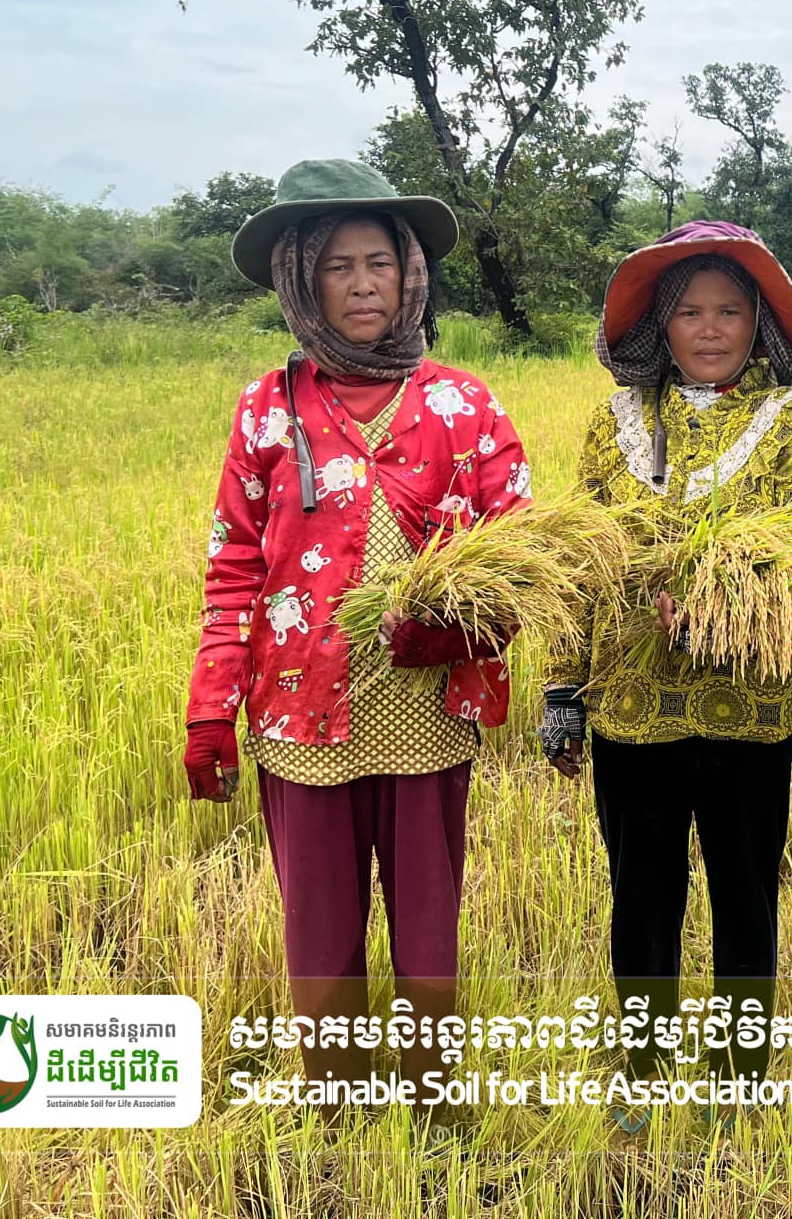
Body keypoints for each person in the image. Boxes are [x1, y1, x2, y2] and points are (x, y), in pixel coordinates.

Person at [182, 158, 531, 1102]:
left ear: (410, 272)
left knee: (427, 929)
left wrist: (460, 632)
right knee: (319, 931)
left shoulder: (465, 405)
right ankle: (334, 1098)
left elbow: (524, 558)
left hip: (425, 712)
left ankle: (430, 1095)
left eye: (380, 261)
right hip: (299, 716)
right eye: (337, 266)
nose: (364, 283)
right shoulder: (268, 407)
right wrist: (211, 708)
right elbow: (235, 566)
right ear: (301, 280)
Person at [538, 221, 792, 1130]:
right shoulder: (612, 424)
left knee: (746, 893)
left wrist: (724, 607)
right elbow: (578, 565)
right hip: (630, 707)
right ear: (659, 325)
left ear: (758, 325)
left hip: (751, 707)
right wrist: (562, 689)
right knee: (641, 895)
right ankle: (644, 1066)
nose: (710, 329)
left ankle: (739, 1073)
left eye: (730, 312)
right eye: (690, 312)